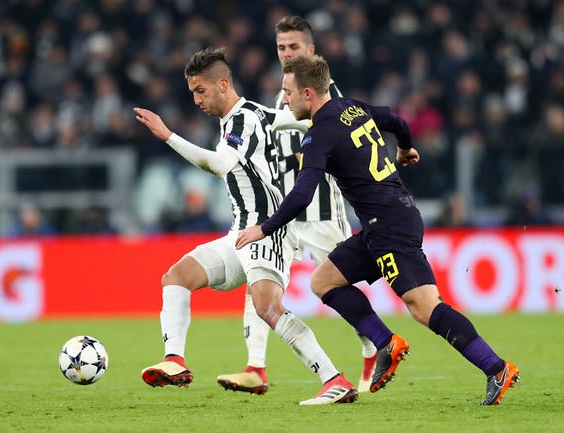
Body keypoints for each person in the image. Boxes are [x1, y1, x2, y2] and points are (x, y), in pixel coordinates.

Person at [235, 54, 519, 405]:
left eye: (288, 91)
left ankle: (496, 368)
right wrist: (405, 147)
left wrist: (266, 227)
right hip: (383, 222)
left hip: (390, 226)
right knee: (323, 281)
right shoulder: (350, 107)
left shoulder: (319, 134)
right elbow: (394, 119)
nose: (285, 98)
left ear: (308, 92)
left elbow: (302, 194)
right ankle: (386, 343)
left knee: (424, 306)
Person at [134, 48, 358, 405]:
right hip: (242, 232)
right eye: (192, 92)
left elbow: (220, 164)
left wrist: (168, 136)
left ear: (223, 84)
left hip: (267, 230)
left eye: (201, 91)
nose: (196, 100)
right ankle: (175, 360)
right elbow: (302, 121)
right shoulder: (257, 113)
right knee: (176, 278)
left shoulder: (242, 120)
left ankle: (335, 379)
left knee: (269, 308)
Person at [217, 15, 377, 396]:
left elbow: (327, 143)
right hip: (284, 216)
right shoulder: (284, 93)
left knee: (340, 285)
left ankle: (372, 346)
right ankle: (256, 365)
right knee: (260, 279)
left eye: (294, 48)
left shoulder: (326, 96)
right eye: (281, 48)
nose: (287, 54)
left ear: (311, 50)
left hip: (321, 211)